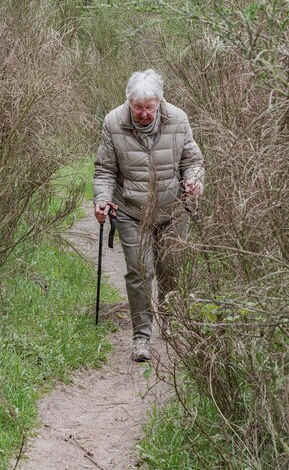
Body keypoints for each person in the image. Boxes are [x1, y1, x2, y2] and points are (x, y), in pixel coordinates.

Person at [93, 69, 204, 362]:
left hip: (173, 210)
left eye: (149, 107)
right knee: (139, 273)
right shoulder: (113, 122)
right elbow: (105, 169)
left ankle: (170, 321)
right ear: (129, 102)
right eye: (138, 107)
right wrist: (103, 199)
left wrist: (194, 180)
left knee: (170, 268)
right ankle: (141, 336)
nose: (143, 114)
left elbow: (193, 160)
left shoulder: (178, 119)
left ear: (159, 101)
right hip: (130, 210)